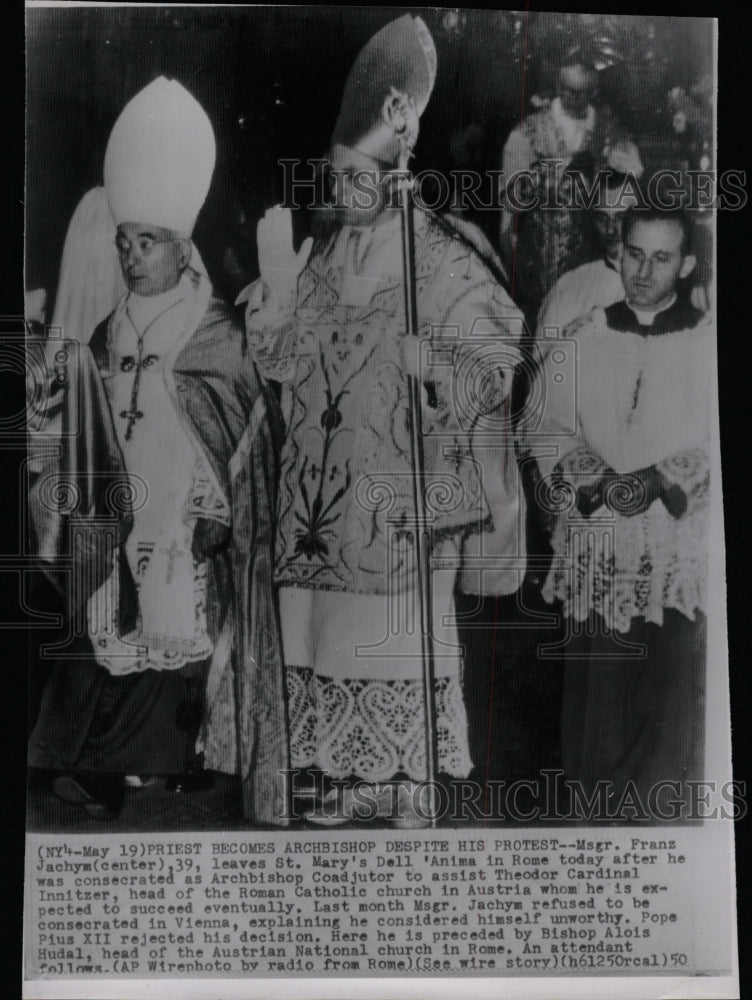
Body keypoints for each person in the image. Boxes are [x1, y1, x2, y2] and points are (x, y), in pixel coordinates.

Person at [239, 15, 526, 825]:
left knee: (397, 643)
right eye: (331, 178)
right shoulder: (323, 256)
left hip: (398, 501)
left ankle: (406, 780)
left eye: (353, 180)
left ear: (395, 168)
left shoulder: (439, 256)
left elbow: (498, 366)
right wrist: (276, 301)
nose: (336, 195)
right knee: (324, 640)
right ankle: (335, 774)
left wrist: (432, 365)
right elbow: (287, 375)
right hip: (318, 512)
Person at [28, 77, 286, 824]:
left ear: (180, 247)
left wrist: (215, 510)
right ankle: (106, 767)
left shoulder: (217, 334)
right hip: (118, 517)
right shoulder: (108, 333)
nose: (132, 256)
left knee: (178, 635)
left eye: (146, 243)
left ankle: (166, 763)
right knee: (112, 632)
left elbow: (243, 436)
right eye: (124, 241)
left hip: (183, 520)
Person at [526, 206, 711, 817]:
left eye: (661, 258)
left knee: (666, 702)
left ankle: (661, 833)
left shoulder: (706, 341)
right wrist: (595, 476)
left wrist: (664, 477)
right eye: (633, 254)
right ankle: (592, 824)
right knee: (596, 699)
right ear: (618, 252)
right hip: (600, 540)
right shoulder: (585, 335)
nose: (643, 270)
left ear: (685, 265)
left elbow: (715, 441)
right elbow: (542, 425)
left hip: (672, 548)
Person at [499, 49, 624, 319]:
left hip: (591, 254)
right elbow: (510, 199)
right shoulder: (528, 131)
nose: (574, 98)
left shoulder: (608, 130)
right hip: (541, 258)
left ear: (594, 91)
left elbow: (624, 190)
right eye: (568, 90)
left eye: (582, 92)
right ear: (558, 87)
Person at [535, 142, 644, 348]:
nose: (611, 230)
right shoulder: (569, 289)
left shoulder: (662, 282)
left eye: (621, 218)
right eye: (603, 219)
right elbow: (544, 366)